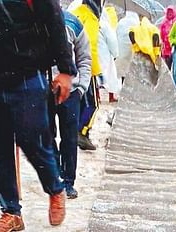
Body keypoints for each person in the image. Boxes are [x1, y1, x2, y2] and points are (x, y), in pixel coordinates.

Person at [0, 0, 77, 229]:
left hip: (27, 73)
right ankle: (10, 212)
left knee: (35, 141)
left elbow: (54, 20)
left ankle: (54, 187)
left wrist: (66, 70)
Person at [48, 11, 91, 199]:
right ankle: (55, 177)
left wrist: (81, 87)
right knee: (47, 136)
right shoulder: (35, 22)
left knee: (70, 139)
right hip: (45, 91)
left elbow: (84, 58)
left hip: (71, 92)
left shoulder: (74, 23)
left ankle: (68, 181)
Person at [69, 0, 103, 150]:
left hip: (71, 64)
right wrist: (96, 71)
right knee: (93, 104)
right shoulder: (91, 18)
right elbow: (90, 46)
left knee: (81, 101)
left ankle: (76, 131)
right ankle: (81, 132)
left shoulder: (76, 12)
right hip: (86, 67)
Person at [100, 7, 120, 103]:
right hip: (105, 54)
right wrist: (115, 53)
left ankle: (97, 96)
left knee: (95, 77)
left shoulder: (89, 23)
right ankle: (111, 96)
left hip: (93, 53)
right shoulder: (105, 25)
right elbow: (112, 41)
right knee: (111, 74)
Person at [116, 11, 140, 83]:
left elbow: (116, 33)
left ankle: (122, 83)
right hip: (132, 49)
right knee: (129, 69)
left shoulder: (121, 22)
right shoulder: (137, 23)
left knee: (122, 69)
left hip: (121, 49)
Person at [159, 5, 176, 70]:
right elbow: (161, 35)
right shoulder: (164, 23)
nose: (169, 13)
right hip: (166, 49)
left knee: (175, 67)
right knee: (167, 66)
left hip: (174, 48)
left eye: (171, 12)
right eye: (168, 12)